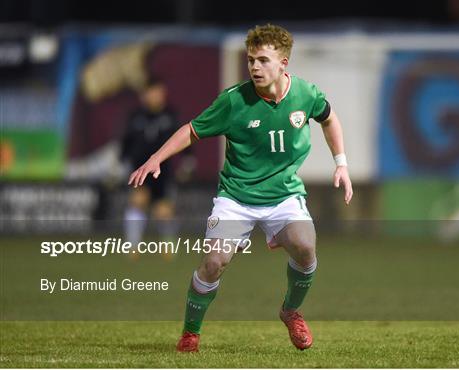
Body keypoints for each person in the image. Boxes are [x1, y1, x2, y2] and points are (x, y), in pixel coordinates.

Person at [128, 24, 353, 352]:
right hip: (237, 198)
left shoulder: (307, 94)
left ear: (283, 64)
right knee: (214, 262)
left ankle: (291, 312)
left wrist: (341, 162)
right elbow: (192, 130)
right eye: (250, 60)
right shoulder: (234, 102)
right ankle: (191, 333)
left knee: (305, 247)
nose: (255, 67)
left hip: (284, 195)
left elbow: (329, 118)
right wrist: (156, 157)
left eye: (263, 60)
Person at [121, 79, 184, 251]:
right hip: (140, 168)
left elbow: (184, 140)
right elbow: (125, 143)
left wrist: (187, 162)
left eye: (159, 92)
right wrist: (122, 162)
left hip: (163, 171)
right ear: (145, 95)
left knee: (163, 210)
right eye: (152, 92)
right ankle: (132, 247)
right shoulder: (136, 116)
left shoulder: (170, 116)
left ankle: (169, 249)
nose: (156, 96)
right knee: (137, 200)